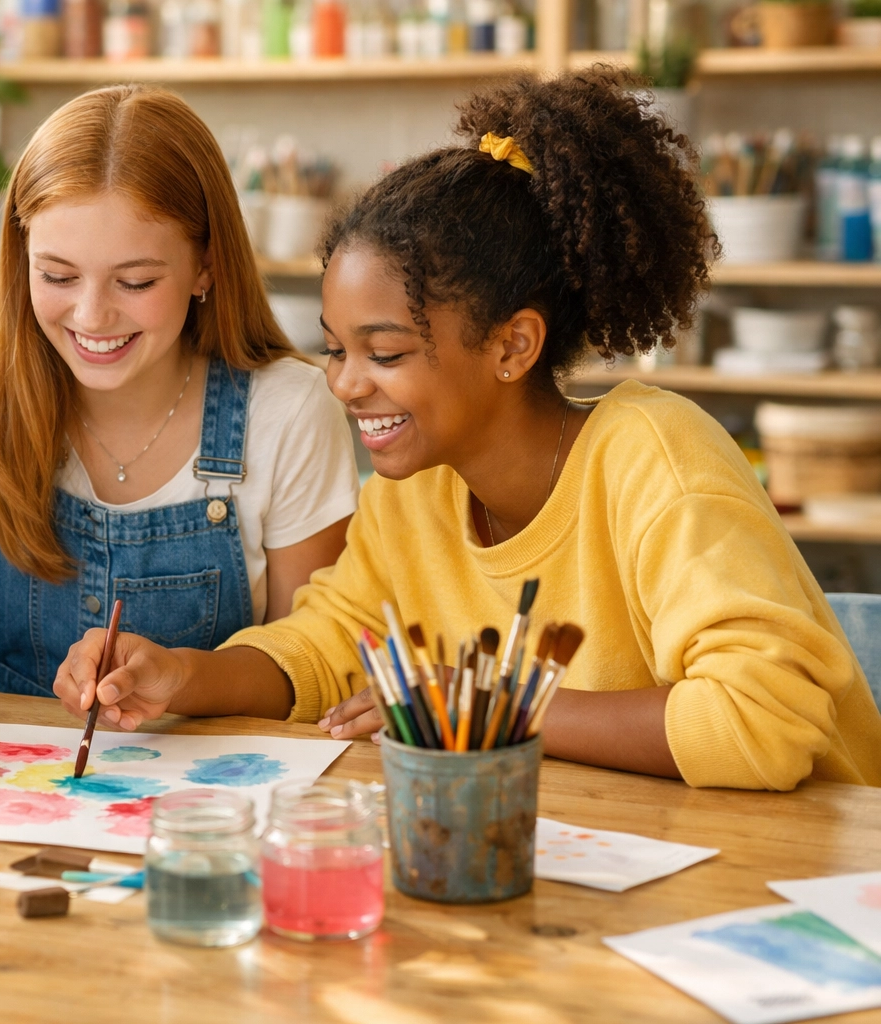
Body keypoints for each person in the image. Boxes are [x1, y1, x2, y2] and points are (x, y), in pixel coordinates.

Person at [51, 69, 881, 791]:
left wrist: (484, 706)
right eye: (336, 350)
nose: (344, 383)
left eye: (386, 352)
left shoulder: (655, 460)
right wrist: (181, 675)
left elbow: (759, 724)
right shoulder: (411, 495)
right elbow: (330, 648)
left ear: (513, 345)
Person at [0, 85, 359, 697]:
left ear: (206, 265)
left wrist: (184, 683)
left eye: (135, 281)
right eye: (57, 275)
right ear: (21, 255)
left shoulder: (290, 410)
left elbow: (308, 672)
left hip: (199, 781)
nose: (92, 316)